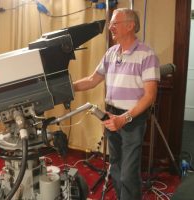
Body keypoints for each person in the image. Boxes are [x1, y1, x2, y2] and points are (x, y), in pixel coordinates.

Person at [73, 8, 160, 200]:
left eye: (115, 23)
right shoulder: (111, 53)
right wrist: (68, 88)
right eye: (111, 23)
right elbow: (92, 79)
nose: (110, 27)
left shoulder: (147, 55)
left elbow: (150, 96)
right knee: (116, 167)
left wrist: (124, 118)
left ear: (130, 26)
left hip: (132, 119)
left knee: (128, 173)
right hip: (110, 116)